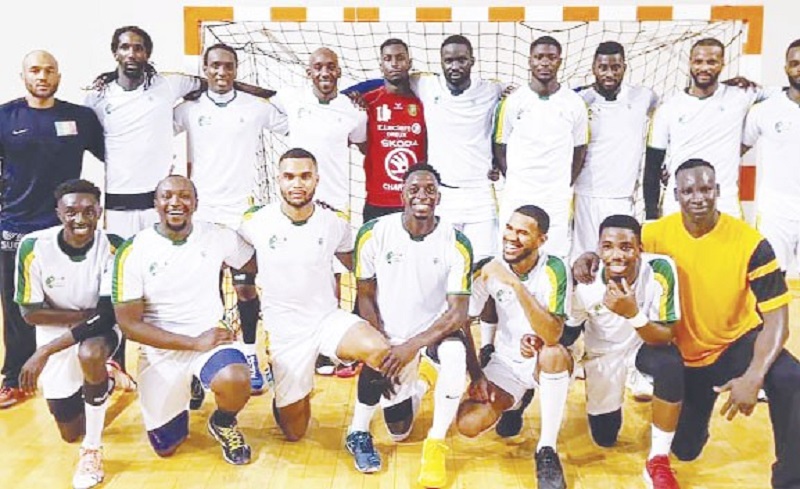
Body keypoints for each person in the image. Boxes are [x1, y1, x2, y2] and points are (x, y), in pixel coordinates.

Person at [576, 159, 800, 489]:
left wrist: (754, 376)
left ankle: (790, 480)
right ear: (676, 194)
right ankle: (676, 419)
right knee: (685, 449)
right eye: (689, 190)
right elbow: (617, 249)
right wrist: (587, 258)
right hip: (679, 354)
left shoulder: (751, 244)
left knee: (791, 377)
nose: (698, 197)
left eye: (706, 189)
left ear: (718, 191)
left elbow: (778, 319)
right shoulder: (654, 234)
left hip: (733, 345)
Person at [237, 147, 393, 441]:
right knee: (295, 432)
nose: (297, 183)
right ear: (279, 179)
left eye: (305, 176)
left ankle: (359, 431)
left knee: (378, 350)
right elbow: (238, 259)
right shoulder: (254, 222)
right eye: (289, 177)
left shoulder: (334, 222)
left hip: (326, 320)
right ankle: (289, 387)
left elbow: (358, 268)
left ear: (317, 180)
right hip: (285, 332)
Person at [113, 175, 257, 465]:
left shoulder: (217, 235)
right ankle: (190, 384)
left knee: (236, 378)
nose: (175, 202)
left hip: (211, 340)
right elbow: (129, 326)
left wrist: (244, 294)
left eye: (184, 196)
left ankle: (223, 421)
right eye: (167, 196)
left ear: (196, 203)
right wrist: (192, 343)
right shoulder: (134, 250)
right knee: (166, 446)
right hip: (161, 351)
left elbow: (253, 262)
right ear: (156, 203)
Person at [346, 164, 474, 488]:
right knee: (399, 432)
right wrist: (381, 346)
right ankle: (418, 385)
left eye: (430, 189)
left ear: (439, 197)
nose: (422, 195)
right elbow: (365, 296)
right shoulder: (374, 232)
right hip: (393, 335)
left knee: (456, 356)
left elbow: (457, 314)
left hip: (435, 335)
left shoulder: (456, 242)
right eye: (414, 189)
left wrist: (411, 347)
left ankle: (436, 444)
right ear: (402, 194)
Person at [173, 43, 288, 394]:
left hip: (242, 212)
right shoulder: (188, 109)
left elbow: (295, 119)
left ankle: (250, 355)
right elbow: (152, 127)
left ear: (236, 70)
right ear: (204, 69)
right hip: (203, 212)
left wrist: (261, 90)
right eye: (215, 66)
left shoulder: (255, 108)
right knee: (206, 289)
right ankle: (204, 360)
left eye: (228, 66)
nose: (221, 72)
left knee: (245, 287)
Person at [0, 50, 104, 408]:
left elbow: (115, 156)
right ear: (23, 76)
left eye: (49, 70)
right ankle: (14, 379)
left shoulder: (80, 118)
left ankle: (100, 366)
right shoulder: (4, 117)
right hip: (16, 227)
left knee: (84, 299)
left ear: (58, 75)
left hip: (70, 229)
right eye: (35, 70)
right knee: (17, 310)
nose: (42, 76)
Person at [456, 205, 572, 489]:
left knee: (553, 354)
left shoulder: (555, 269)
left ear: (541, 240)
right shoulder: (488, 269)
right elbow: (461, 323)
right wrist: (477, 375)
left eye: (522, 232)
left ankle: (547, 449)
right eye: (509, 228)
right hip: (506, 360)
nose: (511, 237)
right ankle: (517, 401)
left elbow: (553, 335)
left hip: (543, 360)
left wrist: (515, 285)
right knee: (468, 424)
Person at [14, 179, 121, 489]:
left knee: (91, 354)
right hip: (56, 330)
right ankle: (103, 381)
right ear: (58, 213)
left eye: (89, 211)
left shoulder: (113, 245)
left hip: (99, 334)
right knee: (69, 432)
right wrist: (88, 316)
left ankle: (92, 450)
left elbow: (107, 317)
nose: (80, 219)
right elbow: (31, 314)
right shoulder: (33, 246)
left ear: (99, 211)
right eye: (71, 212)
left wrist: (44, 351)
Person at [565, 214, 684, 489]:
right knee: (605, 437)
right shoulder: (585, 282)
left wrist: (633, 314)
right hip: (604, 356)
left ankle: (658, 460)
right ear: (598, 248)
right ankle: (613, 392)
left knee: (670, 364)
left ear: (640, 248)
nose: (617, 255)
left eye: (626, 247)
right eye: (607, 247)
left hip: (644, 346)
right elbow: (569, 332)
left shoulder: (660, 268)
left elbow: (666, 335)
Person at [269, 47, 367, 378]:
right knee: (298, 277)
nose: (325, 72)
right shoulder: (292, 99)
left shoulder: (353, 112)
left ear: (339, 71)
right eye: (318, 67)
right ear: (308, 72)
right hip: (296, 207)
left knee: (333, 280)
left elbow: (362, 142)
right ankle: (295, 344)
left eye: (331, 67)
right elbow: (262, 94)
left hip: (334, 206)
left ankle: (330, 349)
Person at [85, 26, 203, 239]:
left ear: (147, 54)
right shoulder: (98, 96)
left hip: (158, 203)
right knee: (121, 258)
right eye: (125, 47)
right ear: (115, 53)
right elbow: (91, 139)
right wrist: (115, 156)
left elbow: (209, 85)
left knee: (162, 257)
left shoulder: (168, 84)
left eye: (138, 48)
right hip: (118, 203)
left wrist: (259, 94)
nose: (131, 53)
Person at [644, 38, 772, 219]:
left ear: (722, 64)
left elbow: (785, 94)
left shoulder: (741, 94)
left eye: (711, 62)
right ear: (690, 63)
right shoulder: (668, 109)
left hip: (724, 200)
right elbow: (651, 168)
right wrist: (651, 217)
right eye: (698, 62)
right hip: (679, 200)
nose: (704, 68)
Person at [493, 35, 589, 259]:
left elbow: (580, 149)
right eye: (539, 57)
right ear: (530, 61)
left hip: (555, 195)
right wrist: (517, 176)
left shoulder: (574, 103)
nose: (545, 63)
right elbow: (500, 146)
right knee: (512, 255)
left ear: (559, 61)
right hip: (519, 193)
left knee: (553, 256)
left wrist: (562, 182)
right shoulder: (513, 101)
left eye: (551, 57)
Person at [573, 41, 658, 257]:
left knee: (620, 258)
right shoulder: (578, 99)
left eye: (615, 67)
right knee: (585, 259)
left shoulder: (643, 96)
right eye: (603, 68)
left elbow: (671, 116)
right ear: (594, 68)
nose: (609, 74)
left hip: (623, 195)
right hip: (586, 194)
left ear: (624, 68)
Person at [741, 39, 800, 273]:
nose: (799, 69)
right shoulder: (764, 110)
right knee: (771, 277)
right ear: (786, 68)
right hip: (776, 209)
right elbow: (734, 150)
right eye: (794, 64)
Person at [356, 38, 427, 222]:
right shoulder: (367, 102)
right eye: (388, 59)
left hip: (415, 201)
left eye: (400, 58)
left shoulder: (424, 103)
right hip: (377, 203)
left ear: (409, 63)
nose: (394, 64)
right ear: (381, 65)